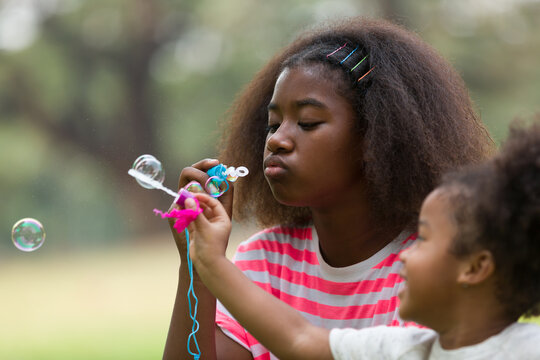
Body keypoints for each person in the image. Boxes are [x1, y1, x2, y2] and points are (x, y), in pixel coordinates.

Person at [162, 17, 495, 359]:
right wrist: (196, 267)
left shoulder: (425, 266)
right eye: (273, 124)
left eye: (307, 122)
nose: (277, 140)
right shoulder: (265, 262)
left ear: (376, 136)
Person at [185, 119, 540, 359]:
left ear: (476, 267)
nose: (404, 255)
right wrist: (208, 259)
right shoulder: (402, 349)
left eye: (425, 239)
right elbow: (298, 339)